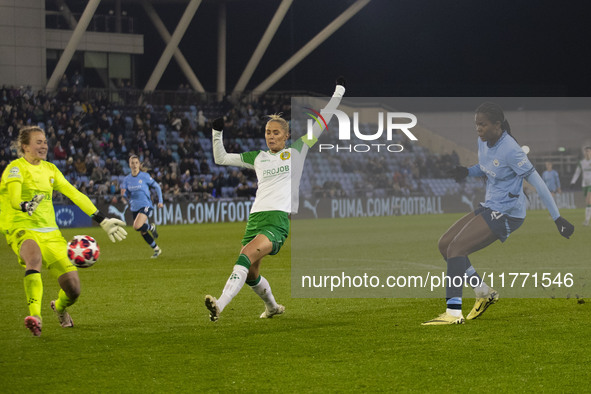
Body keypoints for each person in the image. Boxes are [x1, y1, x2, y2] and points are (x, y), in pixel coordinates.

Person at [204, 77, 346, 321]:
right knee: (251, 273)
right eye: (268, 132)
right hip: (255, 219)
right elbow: (221, 158)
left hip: (277, 220)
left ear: (286, 135)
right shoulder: (257, 157)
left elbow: (322, 121)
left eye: (276, 132)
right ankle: (272, 307)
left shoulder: (297, 151)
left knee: (245, 257)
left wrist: (338, 92)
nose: (271, 136)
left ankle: (220, 305)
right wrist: (217, 133)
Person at [423, 102, 575, 325]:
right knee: (445, 244)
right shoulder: (483, 142)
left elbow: (539, 183)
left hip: (508, 213)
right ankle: (484, 291)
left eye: (482, 125)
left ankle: (453, 313)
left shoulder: (511, 150)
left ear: (497, 125)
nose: (478, 129)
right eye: (476, 124)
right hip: (491, 205)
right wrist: (467, 171)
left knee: (457, 248)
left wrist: (557, 218)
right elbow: (486, 167)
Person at [0, 126, 127, 337]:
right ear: (25, 147)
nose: (43, 146)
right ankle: (35, 317)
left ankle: (59, 307)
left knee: (74, 289)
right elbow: (13, 199)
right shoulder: (15, 168)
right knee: (34, 258)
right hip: (21, 227)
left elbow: (74, 194)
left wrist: (102, 220)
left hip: (51, 234)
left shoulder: (50, 169)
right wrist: (24, 205)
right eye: (38, 142)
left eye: (45, 142)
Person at [121, 154, 163, 258]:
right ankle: (156, 249)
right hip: (134, 206)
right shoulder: (126, 179)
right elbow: (125, 194)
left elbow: (157, 186)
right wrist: (123, 195)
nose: (134, 165)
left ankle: (151, 227)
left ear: (139, 164)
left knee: (136, 226)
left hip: (146, 205)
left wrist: (160, 201)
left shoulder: (144, 176)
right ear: (129, 165)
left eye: (136, 163)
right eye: (132, 163)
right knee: (143, 232)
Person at [570, 146, 591, 226]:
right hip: (585, 184)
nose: (587, 153)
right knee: (588, 202)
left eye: (588, 151)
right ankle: (587, 221)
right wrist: (573, 182)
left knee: (589, 201)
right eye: (586, 151)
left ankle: (586, 221)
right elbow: (577, 173)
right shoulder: (582, 162)